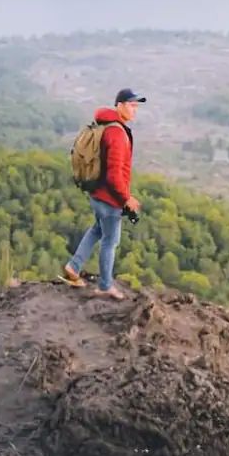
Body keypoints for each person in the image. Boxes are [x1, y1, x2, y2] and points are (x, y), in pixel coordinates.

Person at [62, 87, 145, 300]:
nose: (135, 110)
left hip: (96, 193)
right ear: (119, 105)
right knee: (110, 241)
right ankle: (105, 286)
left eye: (136, 106)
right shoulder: (117, 133)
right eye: (131, 105)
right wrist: (126, 199)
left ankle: (74, 266)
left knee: (97, 230)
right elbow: (115, 175)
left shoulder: (105, 125)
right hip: (109, 199)